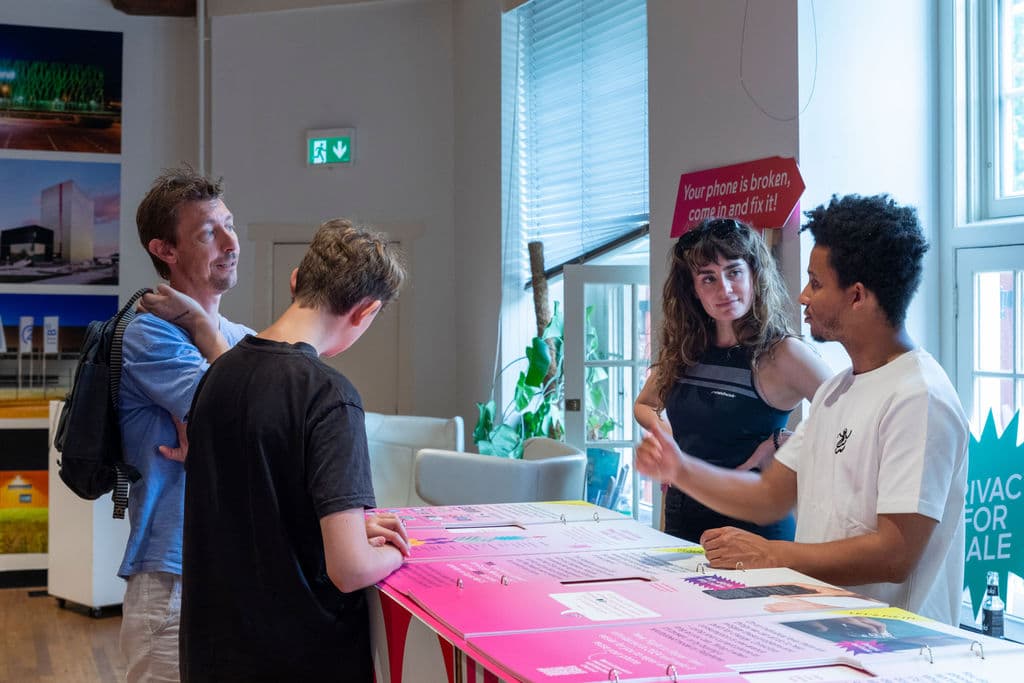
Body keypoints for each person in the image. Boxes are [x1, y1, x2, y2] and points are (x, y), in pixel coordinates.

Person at [635, 194, 968, 625]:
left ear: (857, 296)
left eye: (816, 282)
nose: (803, 295)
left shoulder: (919, 396)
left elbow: (895, 554)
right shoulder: (839, 389)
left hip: (893, 643)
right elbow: (767, 496)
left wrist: (771, 554)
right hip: (824, 624)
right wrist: (677, 469)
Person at [178, 219, 410, 683]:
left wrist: (345, 524)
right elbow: (349, 570)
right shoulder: (330, 395)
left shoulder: (217, 376)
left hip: (212, 658)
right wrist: (398, 552)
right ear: (366, 310)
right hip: (300, 659)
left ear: (296, 279)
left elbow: (259, 512)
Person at [117, 166, 253, 682]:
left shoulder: (242, 338)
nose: (230, 242)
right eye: (206, 233)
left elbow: (272, 425)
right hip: (173, 577)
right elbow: (238, 409)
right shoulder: (148, 335)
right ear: (165, 250)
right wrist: (197, 322)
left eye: (229, 224)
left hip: (238, 566)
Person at [634, 217, 831, 544]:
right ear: (693, 290)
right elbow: (645, 404)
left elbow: (851, 414)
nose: (724, 289)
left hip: (751, 524)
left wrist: (785, 441)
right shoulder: (687, 349)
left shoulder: (782, 353)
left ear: (754, 275)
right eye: (708, 278)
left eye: (734, 272)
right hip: (681, 514)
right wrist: (669, 441)